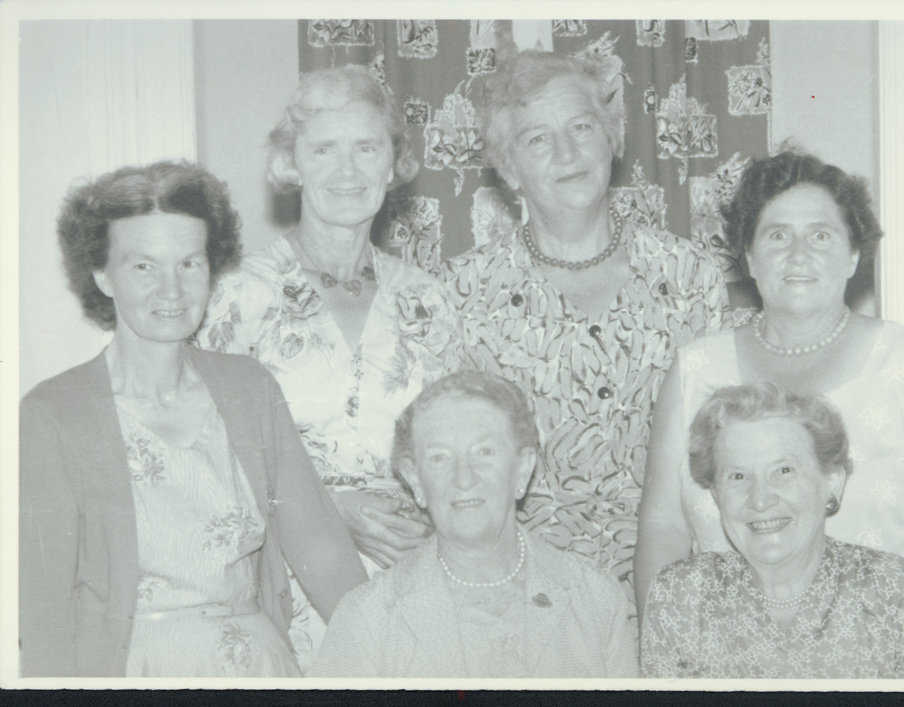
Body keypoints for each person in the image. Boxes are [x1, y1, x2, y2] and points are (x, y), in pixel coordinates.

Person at [19, 161, 366, 677]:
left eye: (189, 263)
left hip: (259, 670)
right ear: (102, 276)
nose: (172, 290)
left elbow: (322, 548)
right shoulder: (54, 413)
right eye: (144, 266)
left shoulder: (250, 388)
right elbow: (43, 611)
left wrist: (391, 663)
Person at [438, 50, 729, 602]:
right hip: (519, 602)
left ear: (613, 138)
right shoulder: (461, 293)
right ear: (509, 170)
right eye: (537, 139)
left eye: (581, 127)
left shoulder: (690, 276)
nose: (566, 153)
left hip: (671, 594)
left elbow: (720, 450)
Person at [197, 66, 464, 665]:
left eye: (366, 147)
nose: (348, 170)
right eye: (324, 149)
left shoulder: (428, 298)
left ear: (392, 164)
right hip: (284, 591)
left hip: (415, 584)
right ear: (291, 165)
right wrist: (329, 509)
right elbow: (207, 461)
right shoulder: (240, 297)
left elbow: (458, 447)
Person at [635, 151, 904, 630]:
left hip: (887, 648)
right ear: (750, 258)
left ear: (853, 255)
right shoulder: (694, 370)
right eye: (778, 235)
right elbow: (662, 528)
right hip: (727, 652)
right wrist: (667, 650)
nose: (799, 254)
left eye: (821, 235)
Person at [310, 371, 638, 678]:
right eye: (439, 457)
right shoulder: (367, 618)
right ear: (415, 479)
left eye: (484, 452)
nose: (464, 478)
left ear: (522, 469)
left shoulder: (594, 599)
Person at [641, 383, 904, 679]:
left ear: (832, 482)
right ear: (715, 494)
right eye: (738, 476)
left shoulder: (899, 592)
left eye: (784, 471)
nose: (760, 499)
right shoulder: (680, 596)